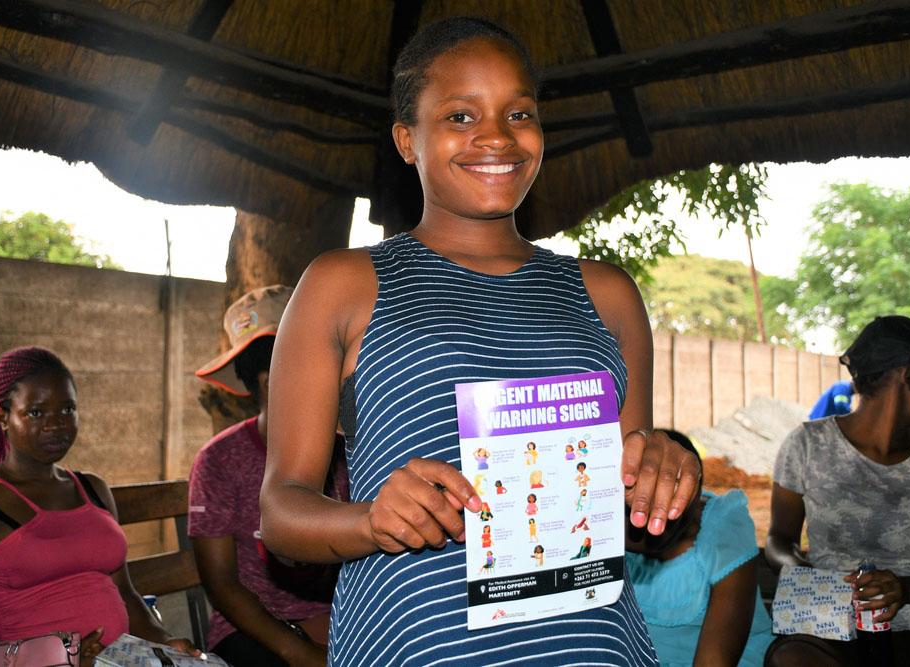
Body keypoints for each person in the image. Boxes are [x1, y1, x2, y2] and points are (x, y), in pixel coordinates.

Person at [259, 17, 700, 666]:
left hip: (593, 648)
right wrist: (370, 518)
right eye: (461, 116)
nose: (496, 135)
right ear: (408, 140)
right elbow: (280, 511)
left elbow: (628, 501)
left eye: (519, 112)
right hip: (416, 645)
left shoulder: (607, 295)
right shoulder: (342, 284)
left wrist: (665, 470)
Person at [0, 346, 196, 666]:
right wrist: (54, 658)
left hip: (122, 658)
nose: (57, 424)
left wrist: (165, 641)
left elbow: (125, 594)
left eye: (67, 409)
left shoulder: (93, 489)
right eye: (36, 412)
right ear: (2, 416)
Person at [765, 316, 910, 665]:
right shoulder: (808, 446)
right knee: (791, 659)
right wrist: (808, 571)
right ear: (909, 377)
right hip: (830, 631)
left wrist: (905, 589)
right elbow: (778, 542)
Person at [190, 286, 347, 667]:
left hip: (341, 619)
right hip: (256, 631)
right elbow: (222, 583)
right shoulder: (220, 460)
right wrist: (297, 649)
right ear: (265, 382)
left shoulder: (349, 451)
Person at [625, 429, 774, 666]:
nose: (656, 523)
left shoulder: (724, 525)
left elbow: (715, 661)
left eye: (671, 509)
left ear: (694, 498)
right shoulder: (618, 532)